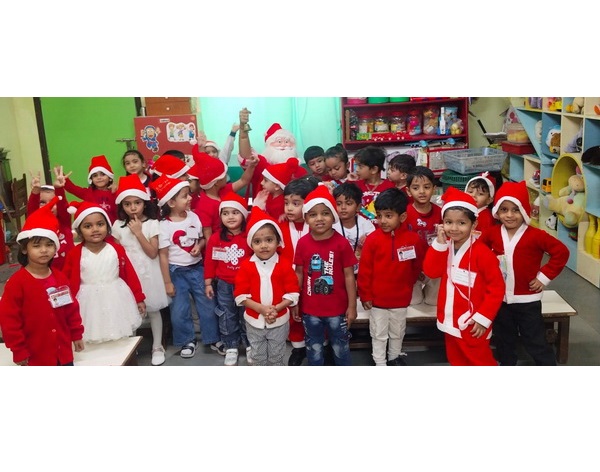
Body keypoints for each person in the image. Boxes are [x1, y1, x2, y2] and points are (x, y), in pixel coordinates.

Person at [479, 180, 569, 366]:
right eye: (504, 210)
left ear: (524, 210)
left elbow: (561, 252)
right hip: (500, 299)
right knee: (504, 339)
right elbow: (479, 252)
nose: (509, 215)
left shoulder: (536, 235)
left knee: (535, 340)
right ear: (497, 211)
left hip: (528, 300)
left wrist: (543, 277)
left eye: (515, 209)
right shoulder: (492, 233)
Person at [422, 186, 506, 366]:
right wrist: (439, 244)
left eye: (461, 223)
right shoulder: (445, 247)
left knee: (480, 361)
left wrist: (483, 318)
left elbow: (497, 288)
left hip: (473, 322)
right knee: (456, 360)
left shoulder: (483, 253)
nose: (454, 228)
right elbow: (431, 271)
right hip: (449, 319)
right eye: (448, 222)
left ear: (473, 225)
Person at [0, 196, 85, 366]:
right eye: (37, 246)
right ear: (25, 249)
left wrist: (76, 334)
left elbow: (71, 309)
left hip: (63, 353)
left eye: (49, 245)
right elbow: (10, 321)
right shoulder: (17, 283)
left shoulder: (60, 278)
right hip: (35, 356)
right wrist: (19, 350)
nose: (44, 250)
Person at [150, 174, 221, 358]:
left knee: (207, 304)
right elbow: (163, 255)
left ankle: (213, 338)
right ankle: (186, 340)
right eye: (185, 196)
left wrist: (199, 246)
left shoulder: (194, 217)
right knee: (179, 310)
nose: (190, 198)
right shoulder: (163, 226)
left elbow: (201, 239)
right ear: (171, 202)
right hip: (176, 272)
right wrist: (167, 282)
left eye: (189, 194)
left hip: (197, 268)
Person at [62, 200, 145, 344]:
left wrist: (138, 297)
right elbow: (66, 280)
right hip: (88, 302)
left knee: (118, 332)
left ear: (107, 226)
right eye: (88, 226)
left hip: (116, 298)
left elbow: (129, 274)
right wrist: (65, 305)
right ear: (79, 230)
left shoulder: (116, 249)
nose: (95, 229)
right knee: (91, 333)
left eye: (100, 224)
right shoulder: (74, 254)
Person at [357, 188, 424, 366]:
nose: (383, 221)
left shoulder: (413, 240)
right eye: (379, 216)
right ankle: (380, 362)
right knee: (378, 333)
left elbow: (416, 266)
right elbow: (364, 271)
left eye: (388, 216)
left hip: (401, 299)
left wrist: (408, 284)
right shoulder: (372, 240)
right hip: (377, 300)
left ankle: (394, 357)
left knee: (398, 331)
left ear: (402, 217)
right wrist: (365, 295)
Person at [293, 184, 358, 366]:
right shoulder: (303, 243)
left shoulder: (341, 243)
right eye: (313, 214)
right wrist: (295, 301)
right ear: (306, 218)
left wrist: (352, 306)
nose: (319, 219)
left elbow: (349, 276)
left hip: (338, 310)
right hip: (310, 310)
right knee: (313, 347)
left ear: (334, 216)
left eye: (325, 213)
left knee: (340, 347)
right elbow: (299, 273)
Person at [112, 174, 169, 366]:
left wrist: (138, 232)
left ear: (144, 203)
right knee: (131, 311)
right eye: (127, 204)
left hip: (149, 274)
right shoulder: (117, 226)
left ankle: (157, 346)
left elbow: (153, 253)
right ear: (122, 206)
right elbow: (116, 253)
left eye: (137, 202)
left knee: (153, 311)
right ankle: (131, 347)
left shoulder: (152, 224)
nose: (133, 208)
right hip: (128, 276)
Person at [233, 207, 300, 366]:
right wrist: (261, 309)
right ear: (251, 244)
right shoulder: (246, 266)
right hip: (254, 322)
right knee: (258, 355)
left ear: (278, 241)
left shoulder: (285, 265)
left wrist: (277, 308)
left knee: (277, 355)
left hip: (279, 321)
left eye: (269, 240)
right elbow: (240, 295)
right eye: (257, 241)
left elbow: (293, 293)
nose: (263, 245)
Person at [204, 192, 253, 366]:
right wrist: (208, 282)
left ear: (243, 215)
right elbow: (210, 261)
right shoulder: (216, 238)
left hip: (246, 285)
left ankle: (249, 344)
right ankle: (231, 346)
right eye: (225, 213)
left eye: (235, 212)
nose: (230, 217)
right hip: (224, 284)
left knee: (247, 314)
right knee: (226, 315)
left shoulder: (250, 236)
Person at [277, 175, 320, 365]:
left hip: (314, 279)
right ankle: (298, 347)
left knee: (317, 314)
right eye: (286, 203)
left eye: (296, 203)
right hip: (288, 281)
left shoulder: (318, 227)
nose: (289, 208)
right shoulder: (279, 227)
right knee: (294, 316)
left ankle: (321, 346)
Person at [190, 145, 258, 242]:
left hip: (236, 237)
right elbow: (208, 235)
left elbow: (243, 181)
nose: (226, 176)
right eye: (224, 175)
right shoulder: (203, 206)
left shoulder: (224, 190)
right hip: (220, 243)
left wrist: (251, 166)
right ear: (216, 182)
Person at [237, 108, 300, 198]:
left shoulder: (298, 170)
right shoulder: (261, 164)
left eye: (287, 142)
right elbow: (247, 157)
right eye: (279, 141)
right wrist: (243, 129)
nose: (283, 145)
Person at [404, 166, 442, 305]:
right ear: (408, 191)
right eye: (416, 188)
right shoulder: (404, 214)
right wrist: (415, 269)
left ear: (434, 189)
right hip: (411, 266)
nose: (421, 191)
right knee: (414, 302)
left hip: (434, 266)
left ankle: (429, 291)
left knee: (433, 302)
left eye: (426, 187)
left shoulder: (441, 213)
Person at [27, 170, 74, 271]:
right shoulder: (36, 223)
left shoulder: (64, 221)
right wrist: (35, 192)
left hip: (69, 271)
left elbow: (63, 206)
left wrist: (59, 189)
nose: (49, 206)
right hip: (46, 273)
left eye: (53, 202)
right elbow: (32, 210)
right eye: (42, 202)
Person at [58, 155, 118, 224]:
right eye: (95, 175)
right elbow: (72, 188)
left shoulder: (115, 191)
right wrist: (62, 178)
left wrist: (117, 190)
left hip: (114, 227)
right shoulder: (88, 193)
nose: (99, 178)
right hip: (94, 227)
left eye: (103, 174)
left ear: (110, 177)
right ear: (91, 179)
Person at [332, 181, 375, 275]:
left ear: (358, 207)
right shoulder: (332, 225)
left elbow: (374, 245)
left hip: (362, 271)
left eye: (348, 203)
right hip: (338, 271)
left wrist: (367, 241)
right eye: (339, 204)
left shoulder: (366, 225)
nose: (343, 207)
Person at [254, 157, 306, 221]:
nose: (261, 183)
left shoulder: (282, 202)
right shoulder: (267, 195)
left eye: (265, 180)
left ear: (277, 186)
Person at [352, 146, 395, 223]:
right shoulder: (355, 185)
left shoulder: (390, 187)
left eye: (360, 166)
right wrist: (349, 181)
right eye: (356, 166)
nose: (357, 170)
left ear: (374, 169)